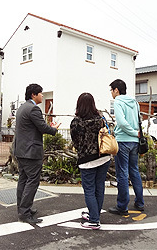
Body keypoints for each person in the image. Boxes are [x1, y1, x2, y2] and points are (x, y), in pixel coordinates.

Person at [14, 83, 60, 224]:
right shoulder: (34, 109)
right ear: (34, 95)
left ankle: (22, 209)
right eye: (41, 93)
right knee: (32, 181)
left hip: (21, 150)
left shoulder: (22, 107)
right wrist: (53, 129)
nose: (42, 95)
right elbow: (42, 127)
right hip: (31, 152)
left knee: (23, 180)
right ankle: (25, 213)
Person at [70, 93, 111, 230]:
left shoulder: (76, 122)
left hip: (87, 160)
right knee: (99, 187)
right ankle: (95, 214)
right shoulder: (100, 119)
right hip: (104, 156)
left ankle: (94, 220)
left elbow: (75, 142)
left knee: (89, 189)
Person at [108, 79, 144, 215]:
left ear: (116, 90)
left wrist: (132, 132)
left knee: (122, 173)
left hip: (123, 140)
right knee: (134, 170)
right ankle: (139, 203)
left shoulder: (118, 101)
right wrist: (136, 134)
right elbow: (138, 120)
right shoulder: (134, 102)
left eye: (111, 90)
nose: (111, 93)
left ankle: (122, 206)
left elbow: (122, 123)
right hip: (135, 141)